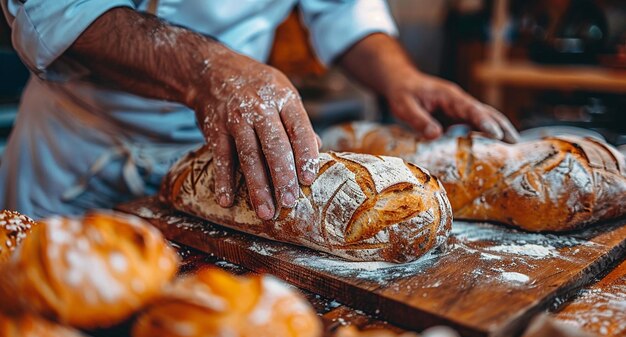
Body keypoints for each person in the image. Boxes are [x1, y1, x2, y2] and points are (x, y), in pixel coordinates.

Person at [0, 1, 518, 219]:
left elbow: (341, 7)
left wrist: (400, 77)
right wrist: (208, 70)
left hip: (236, 147)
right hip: (74, 149)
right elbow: (55, 8)